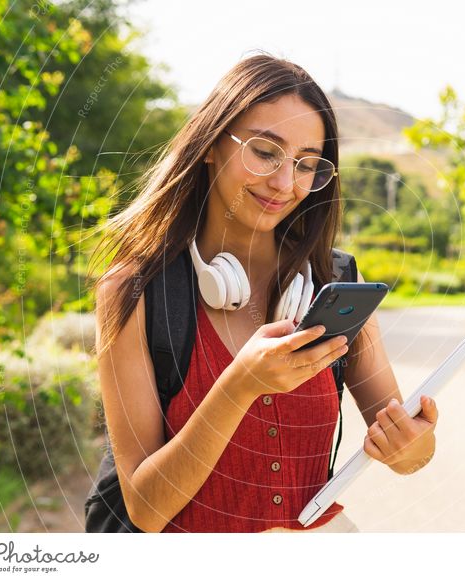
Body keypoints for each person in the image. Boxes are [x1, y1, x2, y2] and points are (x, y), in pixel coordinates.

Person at [90, 53, 439, 533]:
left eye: (306, 165)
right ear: (212, 143)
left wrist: (413, 447)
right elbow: (146, 509)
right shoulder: (133, 291)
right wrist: (239, 386)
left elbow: (407, 451)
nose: (284, 183)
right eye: (264, 152)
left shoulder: (337, 282)